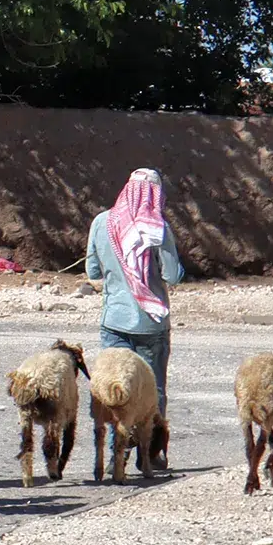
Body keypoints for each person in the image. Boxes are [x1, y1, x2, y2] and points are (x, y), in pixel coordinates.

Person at [85, 168, 184, 415]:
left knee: (114, 387)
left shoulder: (101, 223)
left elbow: (93, 271)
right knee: (153, 390)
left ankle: (116, 448)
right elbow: (172, 276)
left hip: (114, 321)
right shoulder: (157, 229)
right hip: (151, 325)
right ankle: (152, 449)